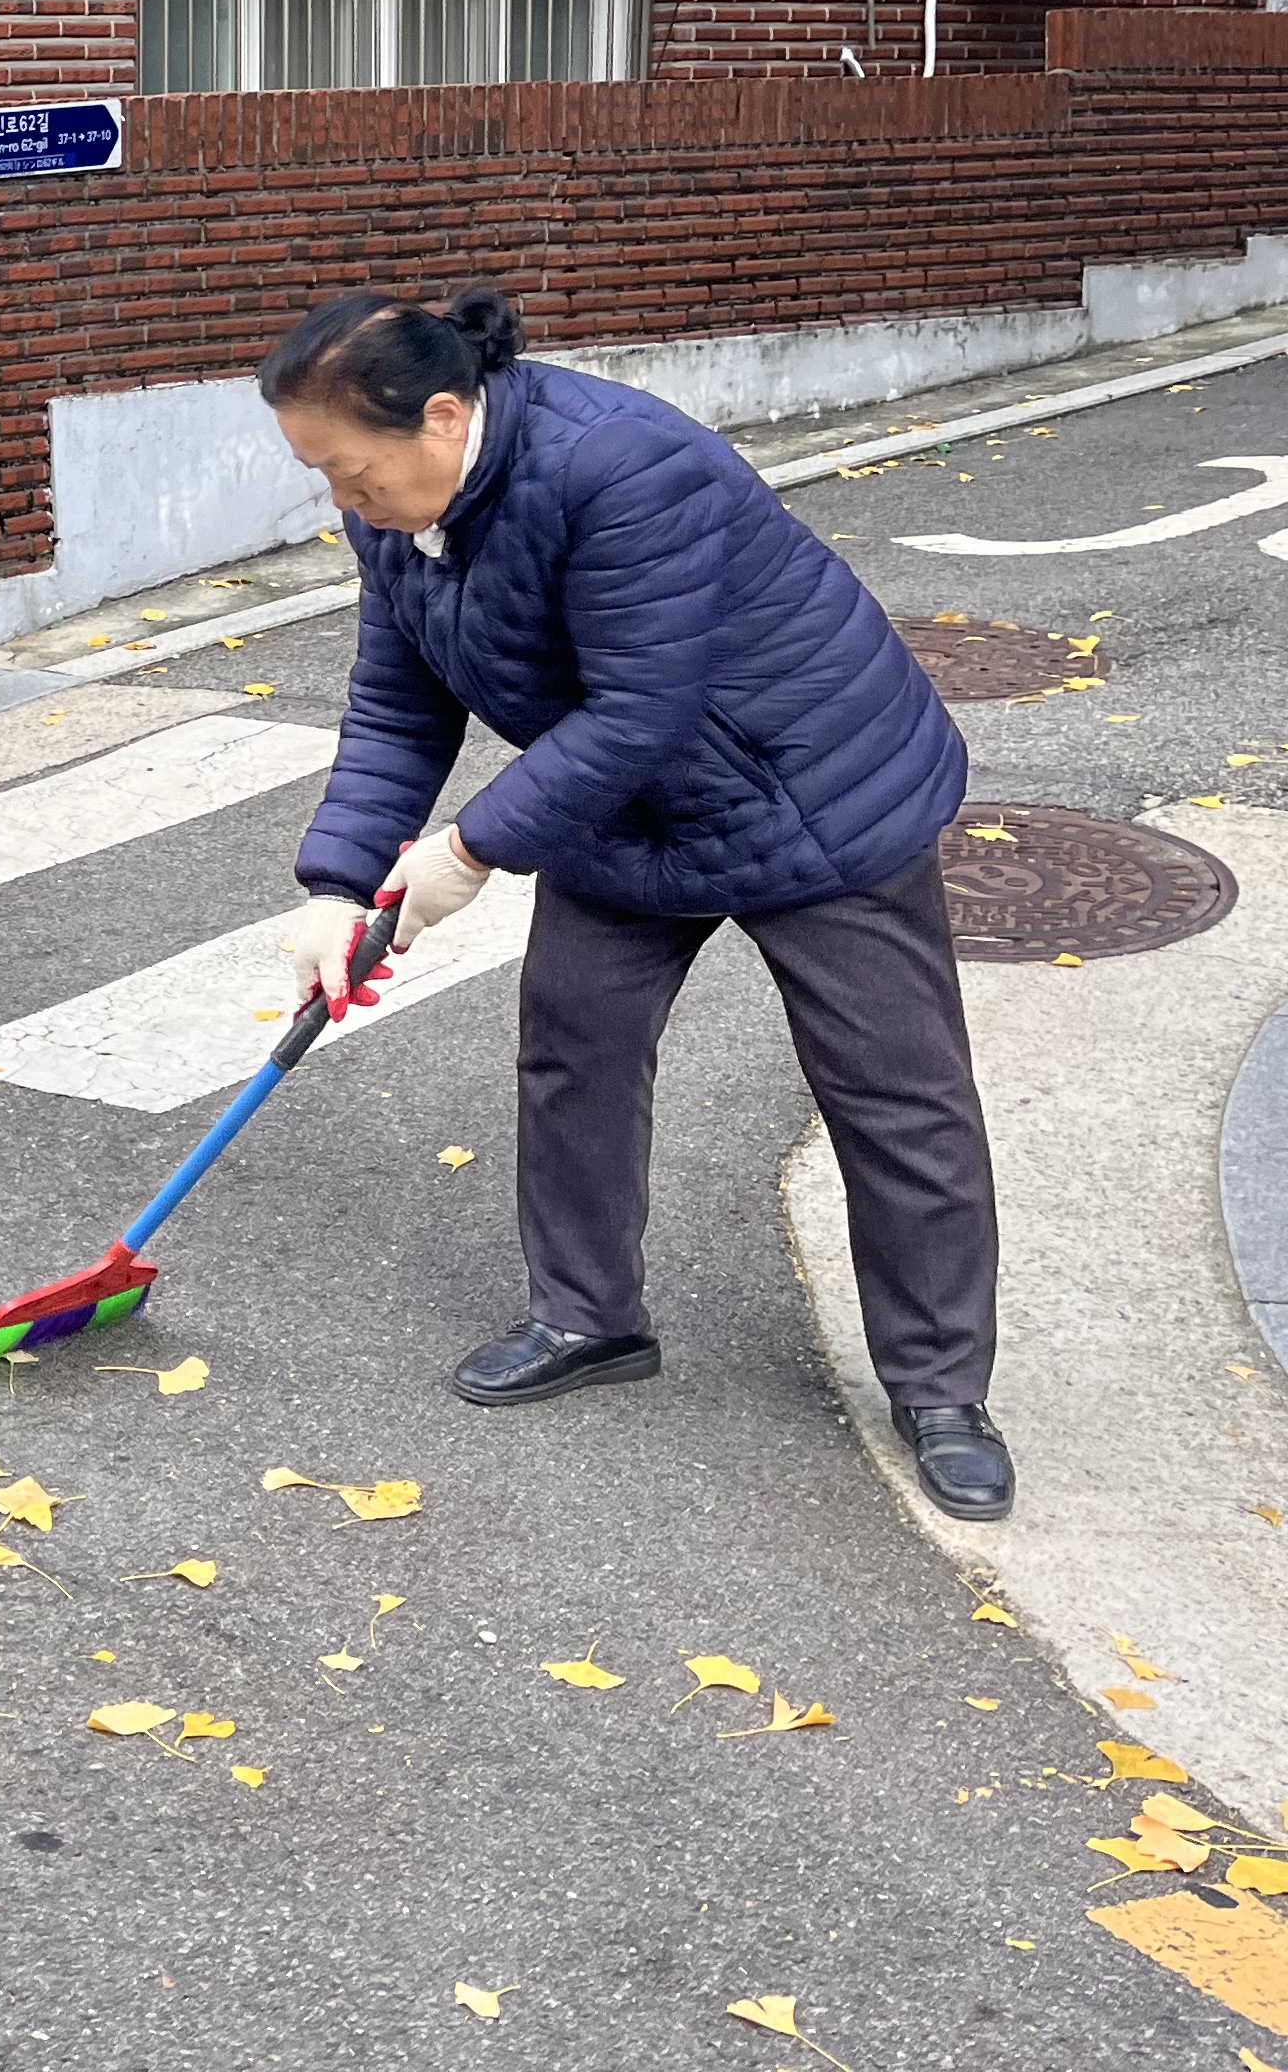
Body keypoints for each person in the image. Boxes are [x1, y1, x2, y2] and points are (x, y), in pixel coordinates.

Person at [260, 285, 1012, 1521]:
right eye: (322, 478)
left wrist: (472, 850)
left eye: (350, 470)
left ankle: (941, 1388)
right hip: (619, 810)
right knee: (576, 1047)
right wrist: (340, 885)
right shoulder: (396, 518)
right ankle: (586, 1317)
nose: (344, 501)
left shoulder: (620, 468)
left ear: (444, 417)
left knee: (894, 1090)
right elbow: (398, 707)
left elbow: (640, 707)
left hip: (811, 790)